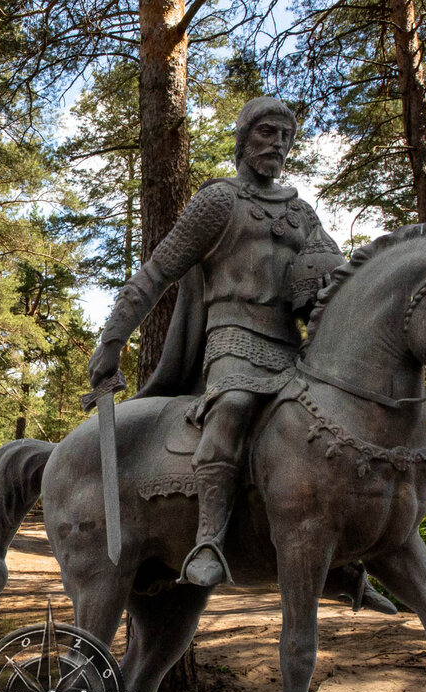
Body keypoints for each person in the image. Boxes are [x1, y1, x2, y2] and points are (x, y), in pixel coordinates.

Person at [87, 97, 344, 586]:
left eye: (286, 137)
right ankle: (207, 540)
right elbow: (156, 273)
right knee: (232, 408)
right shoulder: (219, 201)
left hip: (295, 350)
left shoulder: (301, 212)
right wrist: (113, 339)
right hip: (233, 340)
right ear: (244, 138)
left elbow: (335, 272)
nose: (278, 145)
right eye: (267, 132)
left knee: (337, 427)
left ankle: (346, 555)